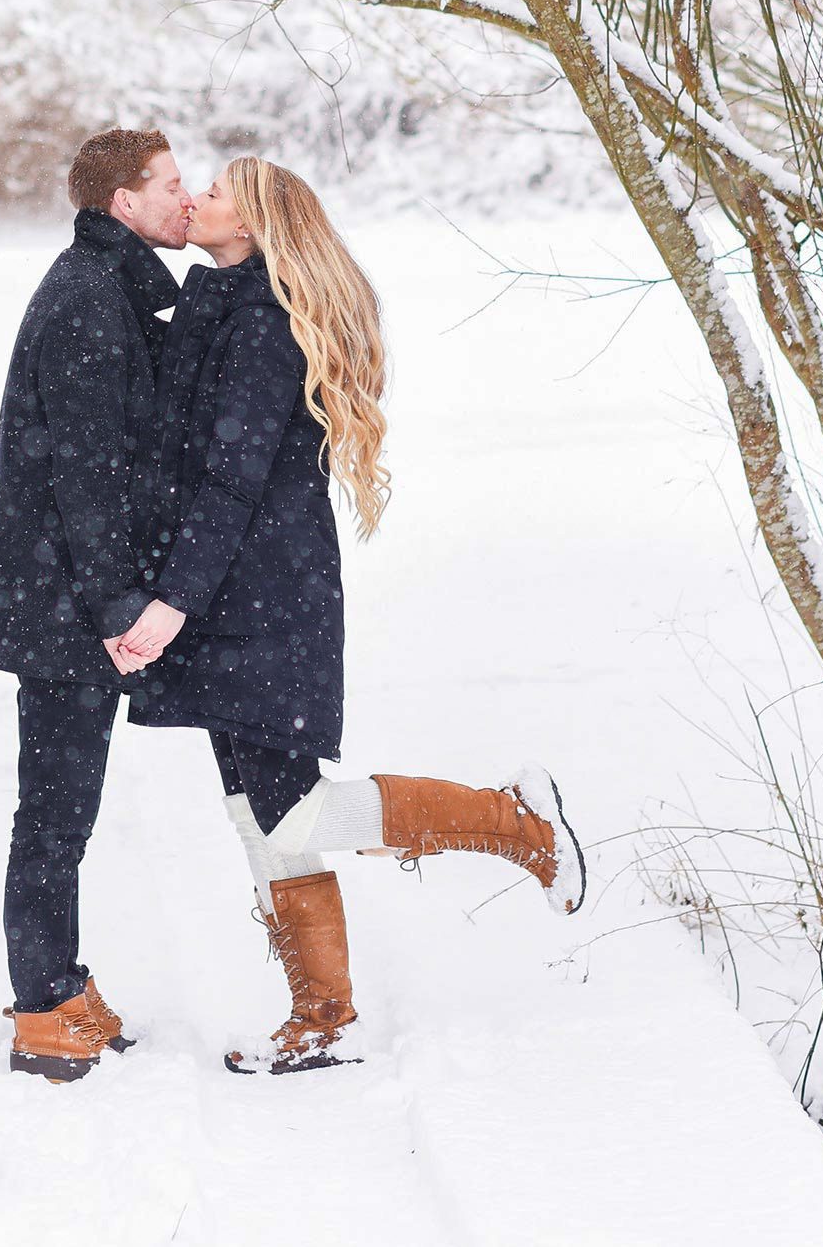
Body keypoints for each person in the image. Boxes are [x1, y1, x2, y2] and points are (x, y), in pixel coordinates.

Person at [117, 156, 586, 1075]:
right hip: (234, 592)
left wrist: (171, 602)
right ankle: (323, 1015)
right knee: (255, 812)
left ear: (250, 226)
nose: (196, 199)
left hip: (259, 596)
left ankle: (516, 823)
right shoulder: (220, 307)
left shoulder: (257, 327)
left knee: (286, 812)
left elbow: (229, 480)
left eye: (214, 192)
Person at [0, 126, 191, 1081]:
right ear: (123, 204)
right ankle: (43, 1010)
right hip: (59, 605)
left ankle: (57, 987)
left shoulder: (115, 288)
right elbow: (85, 475)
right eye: (171, 184)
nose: (187, 198)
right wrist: (116, 609)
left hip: (61, 596)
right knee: (53, 818)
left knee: (65, 813)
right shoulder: (88, 301)